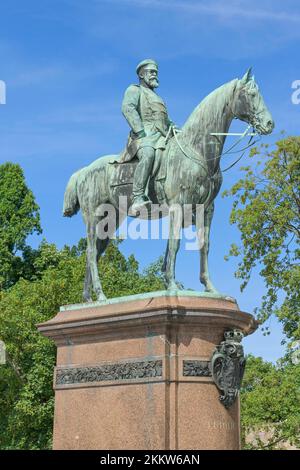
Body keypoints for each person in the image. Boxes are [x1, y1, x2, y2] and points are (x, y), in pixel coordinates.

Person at [121, 59, 176, 213]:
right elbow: (128, 109)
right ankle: (138, 196)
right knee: (148, 154)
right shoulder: (134, 90)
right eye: (151, 72)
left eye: (156, 72)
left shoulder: (158, 98)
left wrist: (175, 128)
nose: (154, 75)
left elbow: (165, 120)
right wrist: (140, 131)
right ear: (141, 74)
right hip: (143, 137)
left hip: (162, 136)